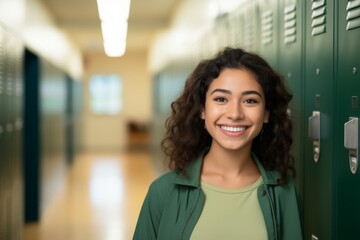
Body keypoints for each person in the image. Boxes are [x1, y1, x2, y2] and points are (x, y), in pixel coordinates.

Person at [133, 48, 302, 240]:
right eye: (221, 99)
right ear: (202, 110)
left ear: (266, 114)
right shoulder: (163, 191)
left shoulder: (283, 190)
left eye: (250, 100)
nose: (235, 114)